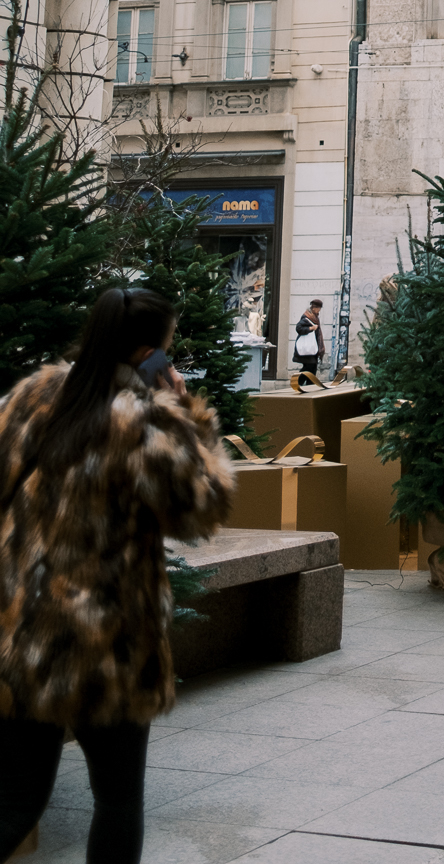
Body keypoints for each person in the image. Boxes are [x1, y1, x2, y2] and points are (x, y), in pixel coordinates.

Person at [0, 287, 234, 864]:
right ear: (148, 351)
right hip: (110, 644)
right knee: (118, 800)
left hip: (28, 634)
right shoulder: (145, 422)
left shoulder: (31, 396)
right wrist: (191, 418)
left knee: (16, 802)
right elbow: (201, 511)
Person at [294, 299, 325, 379]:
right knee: (309, 369)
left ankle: (309, 386)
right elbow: (298, 328)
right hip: (308, 347)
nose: (319, 311)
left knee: (312, 369)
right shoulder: (307, 317)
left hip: (312, 347)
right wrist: (311, 328)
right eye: (319, 309)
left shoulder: (314, 317)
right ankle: (297, 382)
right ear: (314, 308)